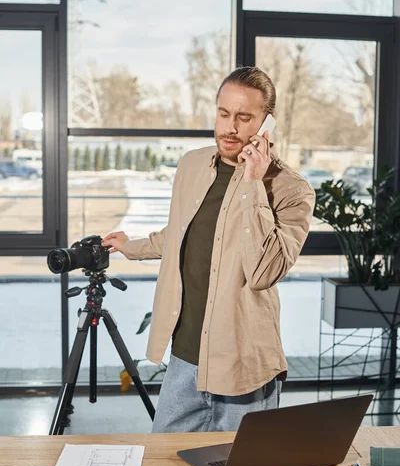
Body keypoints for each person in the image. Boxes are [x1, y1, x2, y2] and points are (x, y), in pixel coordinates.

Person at [102, 66, 316, 433]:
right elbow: (182, 232)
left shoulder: (292, 190)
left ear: (267, 124)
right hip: (185, 360)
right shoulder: (192, 165)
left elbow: (265, 270)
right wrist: (131, 247)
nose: (230, 127)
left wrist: (252, 182)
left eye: (244, 117)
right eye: (223, 113)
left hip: (243, 367)